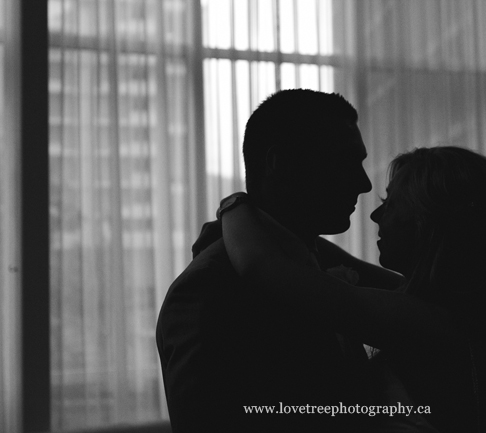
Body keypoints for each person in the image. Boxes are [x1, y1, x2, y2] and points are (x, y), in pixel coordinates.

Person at [219, 146, 486, 432]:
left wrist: (234, 206)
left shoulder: (425, 322)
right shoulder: (469, 312)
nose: (376, 214)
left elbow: (262, 268)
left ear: (428, 223)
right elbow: (342, 265)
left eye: (392, 203)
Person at [155, 89, 404, 432]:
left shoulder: (301, 264)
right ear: (279, 163)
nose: (363, 184)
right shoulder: (207, 291)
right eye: (344, 161)